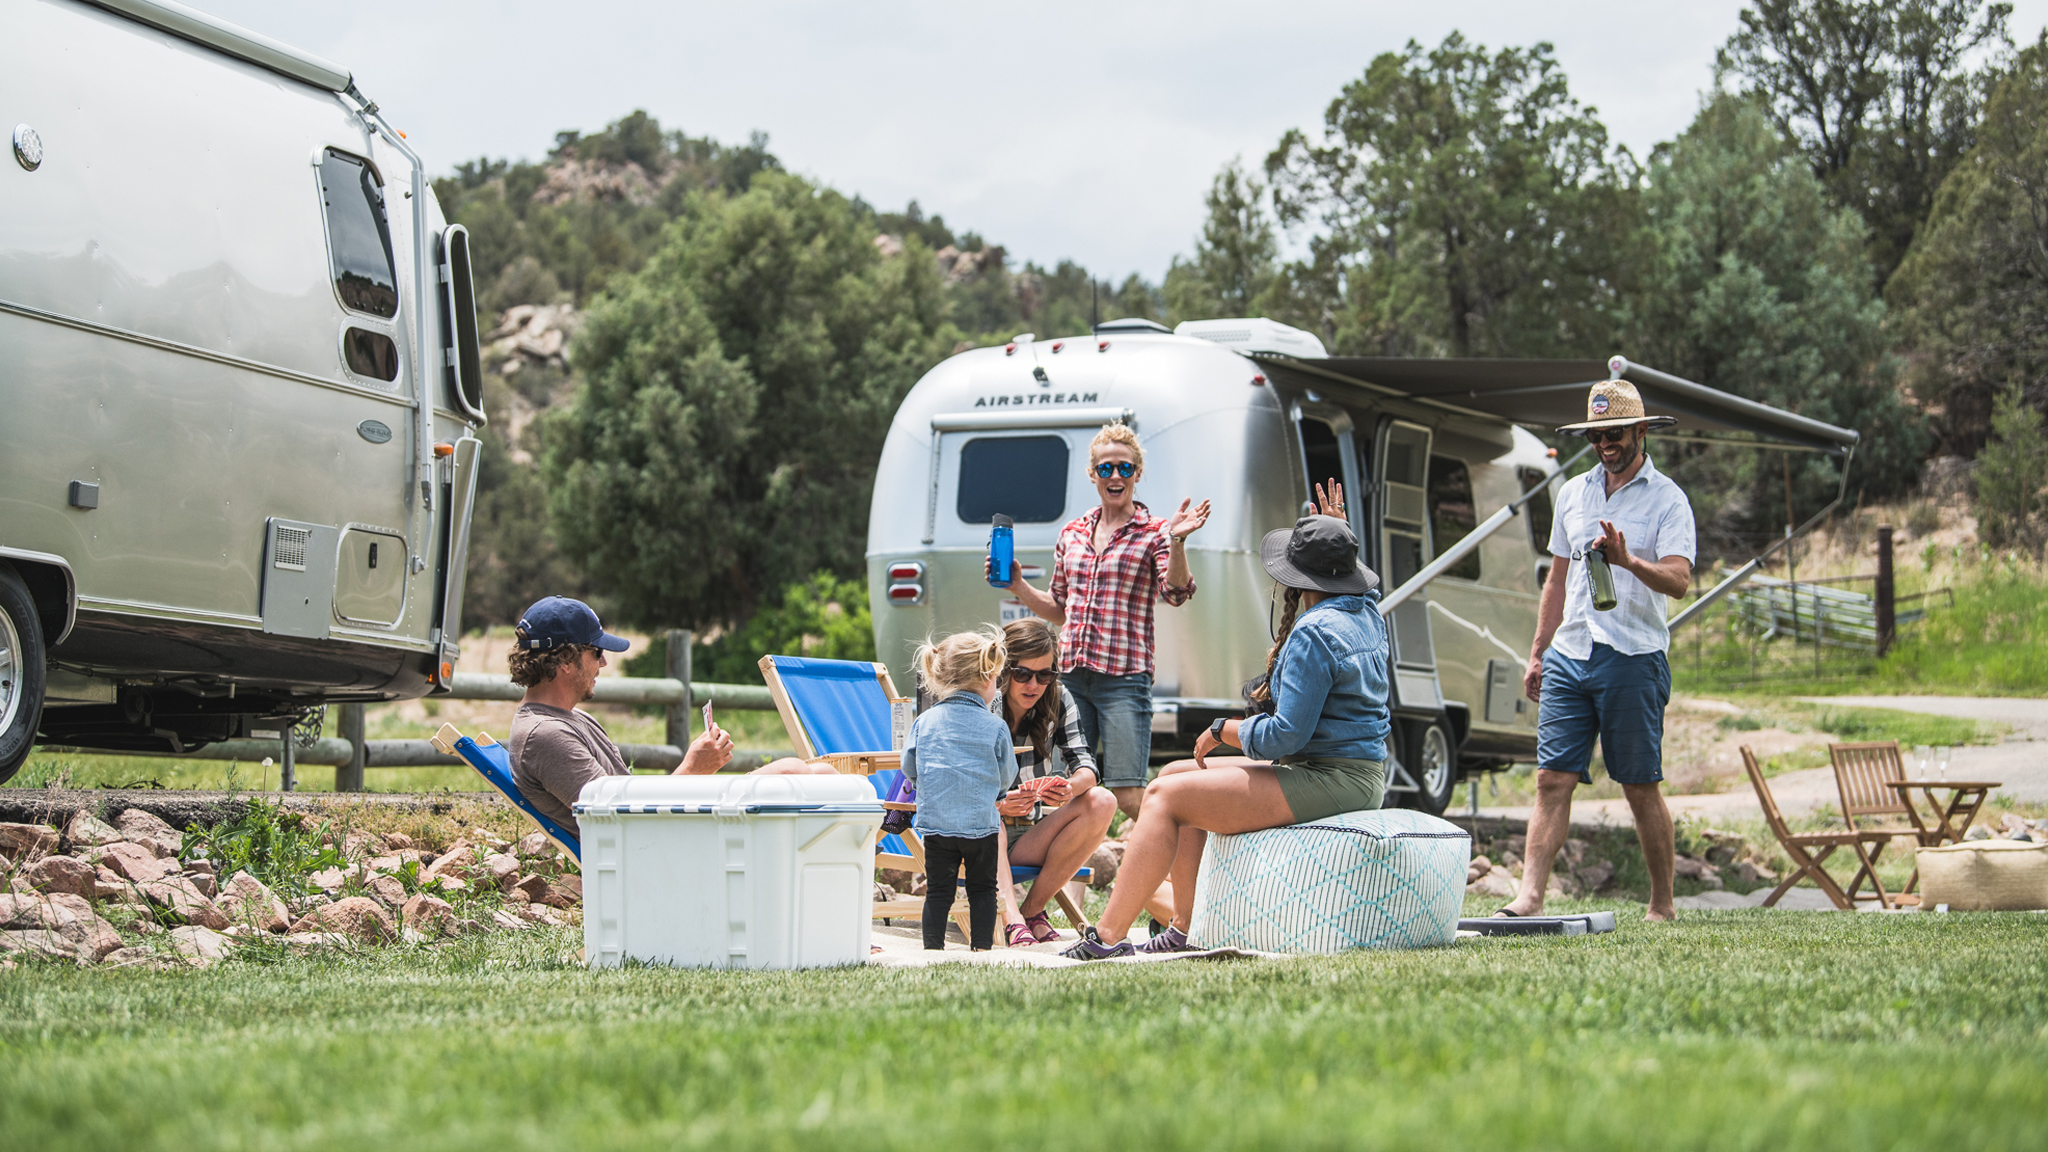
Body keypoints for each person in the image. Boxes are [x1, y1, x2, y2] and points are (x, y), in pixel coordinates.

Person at [1063, 511, 1391, 959]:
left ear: (1297, 579)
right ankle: (1185, 927)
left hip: (1331, 777)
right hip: (1356, 773)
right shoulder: (1367, 612)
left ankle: (1107, 937)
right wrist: (1337, 538)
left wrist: (1225, 729)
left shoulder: (1314, 632)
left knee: (1163, 797)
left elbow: (1285, 737)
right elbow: (1366, 589)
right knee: (1176, 773)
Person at [1499, 379, 1695, 923]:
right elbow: (1557, 579)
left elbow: (1679, 581)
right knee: (1551, 778)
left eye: (1614, 434)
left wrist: (1629, 562)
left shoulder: (1668, 499)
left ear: (1640, 431)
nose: (1605, 444)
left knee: (1639, 785)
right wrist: (1538, 652)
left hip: (1633, 654)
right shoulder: (1573, 493)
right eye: (1596, 436)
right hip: (1570, 652)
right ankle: (1530, 896)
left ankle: (1662, 903)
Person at [999, 422, 1211, 823]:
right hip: (1069, 677)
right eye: (1106, 467)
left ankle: (1179, 859)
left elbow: (1176, 592)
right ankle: (1074, 865)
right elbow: (1059, 608)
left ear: (1137, 473)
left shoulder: (1155, 532)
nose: (1116, 475)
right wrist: (1018, 586)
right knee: (1065, 788)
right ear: (1093, 474)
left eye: (1125, 468)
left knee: (1128, 792)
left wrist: (1178, 541)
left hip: (1123, 680)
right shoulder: (1072, 533)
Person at [506, 595, 830, 838]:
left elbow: (629, 800)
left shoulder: (572, 720)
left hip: (666, 831)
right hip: (661, 846)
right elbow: (624, 824)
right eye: (597, 652)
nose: (602, 663)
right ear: (565, 660)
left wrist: (697, 770)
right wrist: (693, 769)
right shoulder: (545, 736)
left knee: (814, 773)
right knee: (801, 776)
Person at [991, 617, 1117, 944]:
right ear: (1003, 670)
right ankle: (1011, 919)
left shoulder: (1058, 698)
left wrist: (1070, 789)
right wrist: (999, 804)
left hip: (1028, 836)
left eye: (1045, 675)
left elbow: (1086, 764)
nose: (1034, 685)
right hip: (978, 838)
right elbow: (955, 785)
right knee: (990, 817)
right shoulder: (982, 701)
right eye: (1022, 674)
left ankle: (1032, 910)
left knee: (1102, 800)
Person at [902, 627, 1017, 951]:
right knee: (983, 890)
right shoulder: (996, 726)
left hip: (937, 826)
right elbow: (1006, 775)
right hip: (981, 826)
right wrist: (996, 794)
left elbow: (909, 766)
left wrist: (921, 784)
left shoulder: (924, 722)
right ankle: (981, 948)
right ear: (988, 678)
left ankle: (932, 948)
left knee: (939, 891)